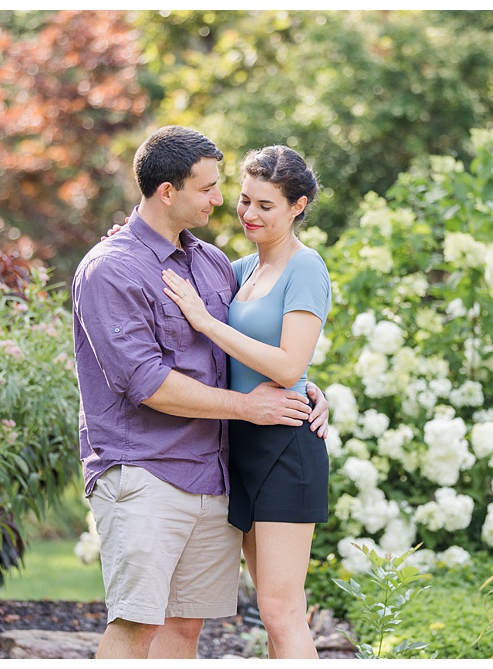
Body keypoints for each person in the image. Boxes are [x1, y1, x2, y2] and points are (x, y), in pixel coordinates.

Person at [72, 126, 328, 660]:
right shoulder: (117, 268)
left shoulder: (211, 263)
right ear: (167, 192)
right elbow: (146, 382)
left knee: (198, 627)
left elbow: (268, 345)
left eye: (230, 191)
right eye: (215, 190)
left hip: (222, 469)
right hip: (148, 470)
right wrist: (251, 402)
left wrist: (303, 385)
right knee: (137, 624)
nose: (226, 203)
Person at [158, 145, 331, 659]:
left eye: (266, 206)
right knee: (268, 609)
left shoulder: (307, 268)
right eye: (244, 200)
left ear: (297, 206)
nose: (249, 214)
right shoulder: (235, 269)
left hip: (284, 448)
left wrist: (207, 323)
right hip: (239, 445)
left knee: (281, 613)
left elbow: (286, 365)